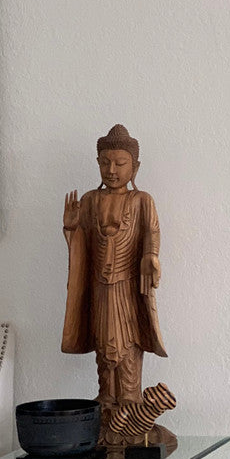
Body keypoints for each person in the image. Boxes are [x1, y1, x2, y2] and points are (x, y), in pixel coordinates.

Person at [62, 124, 167, 441]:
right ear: (97, 163)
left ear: (135, 166)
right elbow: (81, 246)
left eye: (120, 163)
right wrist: (71, 230)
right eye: (105, 162)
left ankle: (131, 404)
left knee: (127, 345)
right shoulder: (91, 200)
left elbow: (152, 233)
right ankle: (107, 404)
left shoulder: (141, 200)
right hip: (98, 286)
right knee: (103, 345)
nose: (112, 170)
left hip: (127, 287)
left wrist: (151, 256)